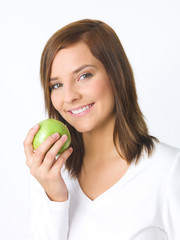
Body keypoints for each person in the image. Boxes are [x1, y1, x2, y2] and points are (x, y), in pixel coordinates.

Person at [23, 19, 180, 240]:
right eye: (56, 85)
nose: (69, 97)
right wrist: (55, 198)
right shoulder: (49, 173)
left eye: (83, 76)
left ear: (116, 76)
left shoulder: (168, 169)